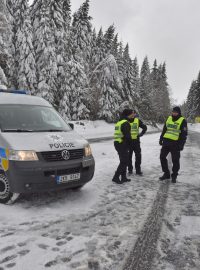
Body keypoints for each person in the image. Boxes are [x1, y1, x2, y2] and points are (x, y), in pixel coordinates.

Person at [159, 106, 188, 183]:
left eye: (176, 112)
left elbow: (184, 134)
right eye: (173, 112)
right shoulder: (168, 118)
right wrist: (161, 138)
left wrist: (181, 145)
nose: (174, 113)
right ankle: (166, 173)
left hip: (175, 144)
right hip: (166, 142)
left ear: (179, 113)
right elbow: (165, 129)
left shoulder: (182, 121)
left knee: (175, 160)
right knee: (162, 157)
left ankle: (174, 175)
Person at [112, 109, 134, 184]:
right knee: (124, 161)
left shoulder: (119, 122)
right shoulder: (125, 123)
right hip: (122, 144)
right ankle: (116, 177)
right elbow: (127, 136)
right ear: (128, 114)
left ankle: (123, 177)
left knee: (123, 160)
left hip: (118, 143)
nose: (133, 115)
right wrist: (131, 144)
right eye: (132, 114)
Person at [128, 110, 147, 176]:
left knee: (138, 156)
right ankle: (130, 170)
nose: (132, 115)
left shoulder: (137, 120)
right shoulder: (125, 121)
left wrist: (141, 134)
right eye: (131, 113)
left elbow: (145, 127)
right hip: (128, 142)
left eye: (133, 113)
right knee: (128, 157)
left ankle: (138, 170)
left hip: (136, 142)